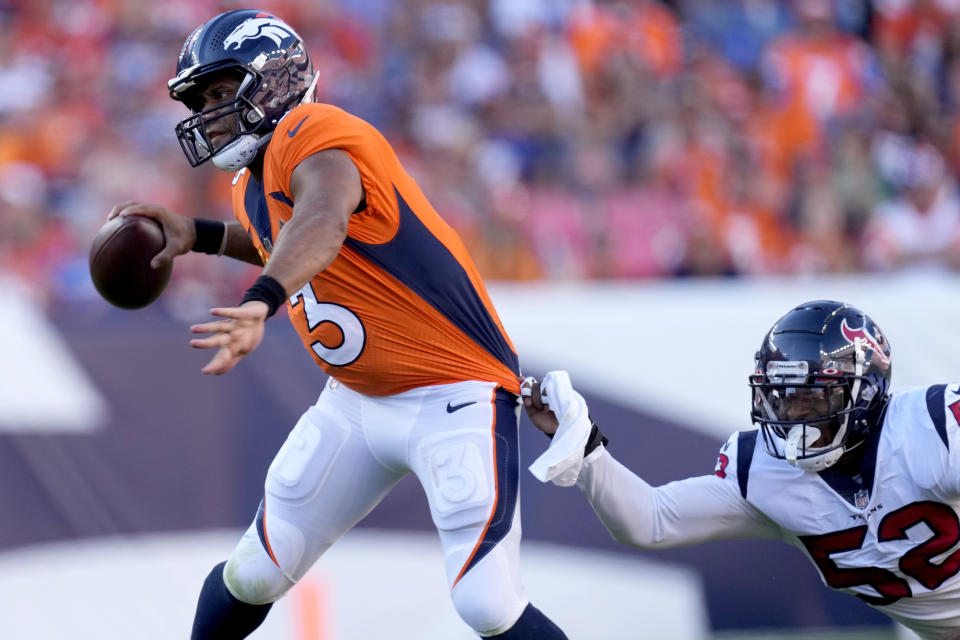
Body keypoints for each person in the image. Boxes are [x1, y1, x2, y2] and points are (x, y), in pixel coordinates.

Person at [107, 9, 567, 640]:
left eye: (220, 92)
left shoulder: (315, 128)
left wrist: (263, 302)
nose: (210, 112)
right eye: (202, 99)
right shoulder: (258, 176)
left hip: (454, 392)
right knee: (253, 574)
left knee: (486, 603)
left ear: (276, 80)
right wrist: (201, 236)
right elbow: (282, 235)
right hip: (355, 401)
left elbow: (323, 217)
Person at [523, 300, 960, 640]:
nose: (794, 417)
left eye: (813, 399)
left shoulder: (933, 428)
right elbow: (649, 520)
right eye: (783, 397)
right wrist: (585, 449)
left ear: (865, 393)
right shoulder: (764, 473)